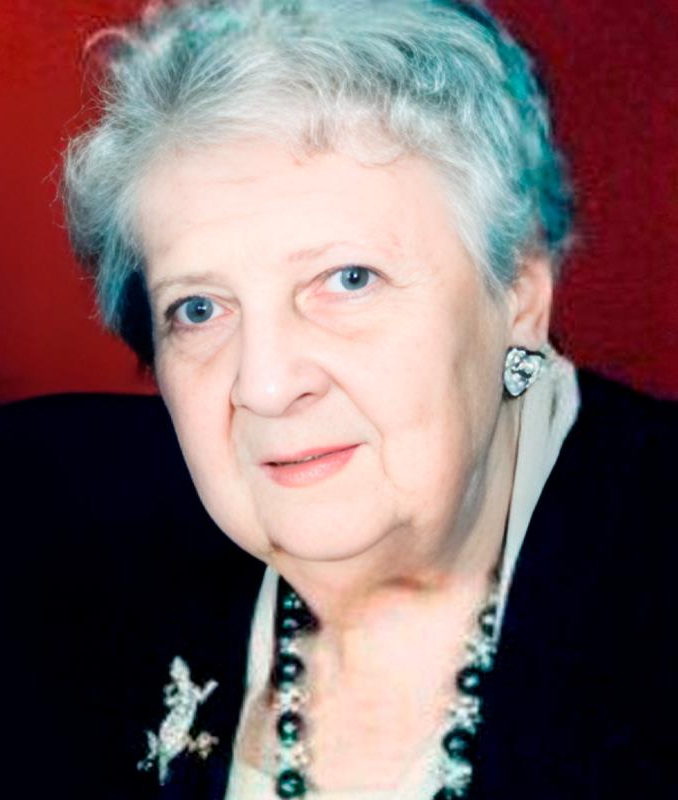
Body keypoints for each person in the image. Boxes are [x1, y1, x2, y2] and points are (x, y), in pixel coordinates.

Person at [61, 1, 677, 798]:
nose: (266, 385)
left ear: (518, 293)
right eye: (200, 309)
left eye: (348, 279)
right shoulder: (83, 598)